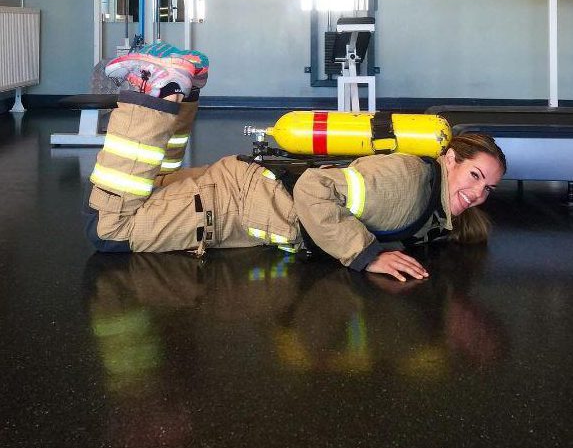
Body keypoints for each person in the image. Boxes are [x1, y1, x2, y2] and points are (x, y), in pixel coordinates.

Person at [84, 43, 506, 282]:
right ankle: (156, 92)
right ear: (448, 158)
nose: (477, 193)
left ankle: (183, 90)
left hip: (245, 189)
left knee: (150, 183)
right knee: (110, 229)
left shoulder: (426, 193)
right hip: (233, 203)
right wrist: (365, 254)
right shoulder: (407, 184)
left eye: (488, 188)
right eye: (475, 175)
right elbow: (313, 189)